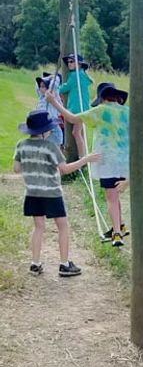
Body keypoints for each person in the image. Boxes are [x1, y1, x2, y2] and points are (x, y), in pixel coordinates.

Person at [12, 110, 100, 277]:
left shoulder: (21, 145)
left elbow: (16, 169)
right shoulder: (51, 147)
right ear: (44, 131)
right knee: (63, 226)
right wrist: (85, 159)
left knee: (38, 227)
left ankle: (35, 264)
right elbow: (65, 169)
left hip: (32, 193)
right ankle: (64, 264)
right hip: (51, 193)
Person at [47, 81, 130, 246]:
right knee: (115, 196)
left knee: (111, 197)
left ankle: (117, 234)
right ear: (117, 97)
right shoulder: (127, 111)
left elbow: (72, 118)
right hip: (124, 161)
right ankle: (119, 226)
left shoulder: (100, 110)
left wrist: (54, 102)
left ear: (102, 98)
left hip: (106, 161)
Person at [59, 53, 92, 155]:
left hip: (77, 109)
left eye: (72, 61)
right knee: (79, 133)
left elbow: (65, 88)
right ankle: (83, 156)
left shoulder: (75, 76)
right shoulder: (83, 75)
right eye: (68, 62)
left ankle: (83, 157)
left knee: (76, 133)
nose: (69, 63)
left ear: (79, 64)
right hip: (84, 108)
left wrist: (56, 88)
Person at [34, 72, 64, 147]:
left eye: (43, 87)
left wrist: (53, 77)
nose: (41, 89)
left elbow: (55, 82)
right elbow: (37, 85)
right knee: (45, 138)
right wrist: (48, 77)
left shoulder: (52, 94)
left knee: (57, 138)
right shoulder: (41, 96)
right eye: (40, 87)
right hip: (43, 120)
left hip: (51, 120)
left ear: (48, 87)